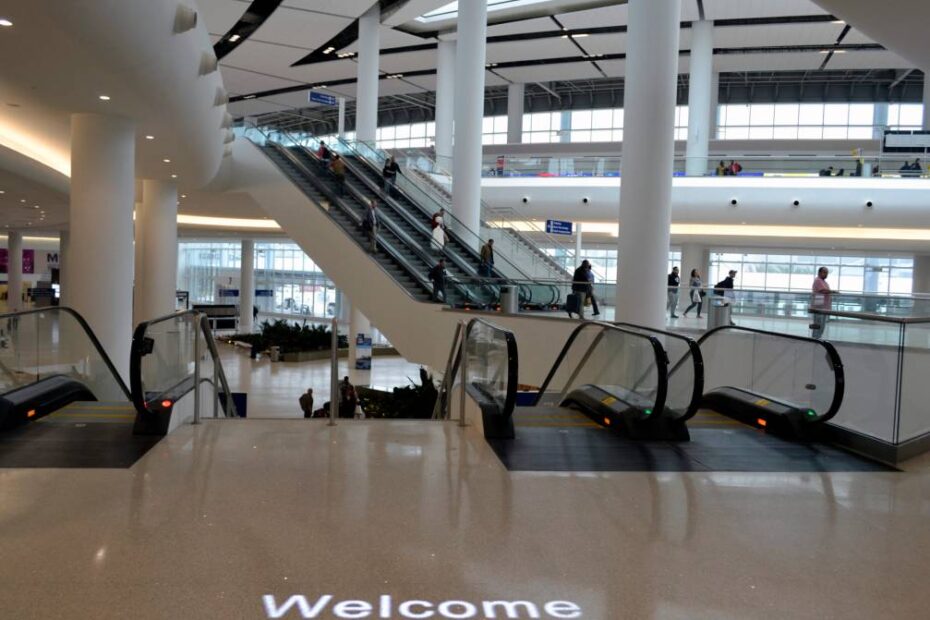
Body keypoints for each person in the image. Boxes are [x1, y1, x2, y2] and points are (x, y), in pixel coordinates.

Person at [810, 266, 834, 339]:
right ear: (819, 273)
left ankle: (818, 338)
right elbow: (823, 291)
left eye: (827, 273)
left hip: (823, 307)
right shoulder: (818, 280)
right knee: (818, 323)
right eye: (824, 272)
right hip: (819, 306)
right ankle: (815, 338)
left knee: (822, 324)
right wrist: (833, 291)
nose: (826, 274)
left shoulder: (824, 282)